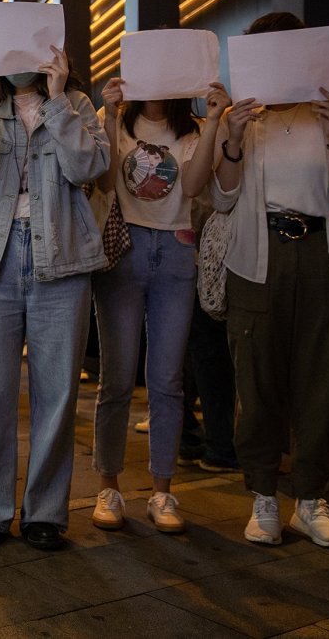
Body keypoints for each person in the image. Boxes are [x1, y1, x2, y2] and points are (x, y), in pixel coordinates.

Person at [0, 47, 109, 551]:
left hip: (62, 258)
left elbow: (89, 167)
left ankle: (45, 512)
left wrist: (59, 98)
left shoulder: (78, 103)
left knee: (57, 393)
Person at [212, 11, 329, 548]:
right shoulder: (245, 118)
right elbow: (223, 196)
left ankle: (312, 500)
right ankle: (264, 497)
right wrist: (230, 137)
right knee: (258, 378)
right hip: (257, 257)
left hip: (323, 253)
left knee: (322, 382)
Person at [90, 80, 224, 533]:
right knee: (117, 376)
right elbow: (105, 180)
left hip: (175, 248)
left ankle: (162, 492)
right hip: (124, 244)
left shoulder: (191, 129)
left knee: (168, 378)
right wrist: (108, 116)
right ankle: (108, 486)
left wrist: (214, 124)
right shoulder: (116, 121)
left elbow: (194, 183)